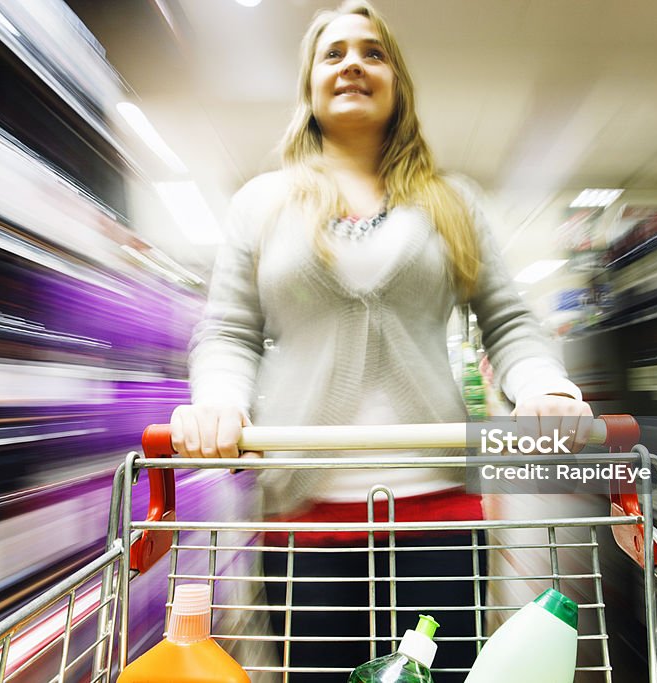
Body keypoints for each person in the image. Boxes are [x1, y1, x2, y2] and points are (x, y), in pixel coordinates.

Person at [171, 1, 593, 679]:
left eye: (373, 51)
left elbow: (510, 321)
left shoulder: (452, 200)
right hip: (303, 519)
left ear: (398, 81)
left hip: (440, 513)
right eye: (333, 53)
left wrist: (546, 387)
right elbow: (228, 330)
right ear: (308, 84)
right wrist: (219, 402)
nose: (353, 65)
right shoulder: (263, 203)